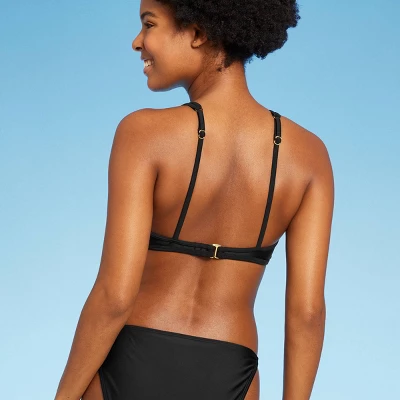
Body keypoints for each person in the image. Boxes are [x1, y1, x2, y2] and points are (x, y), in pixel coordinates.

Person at [55, 0, 334, 399]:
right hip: (230, 373)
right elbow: (308, 313)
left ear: (198, 33)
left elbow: (115, 295)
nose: (137, 42)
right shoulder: (310, 156)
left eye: (149, 24)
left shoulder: (143, 134)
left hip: (133, 361)